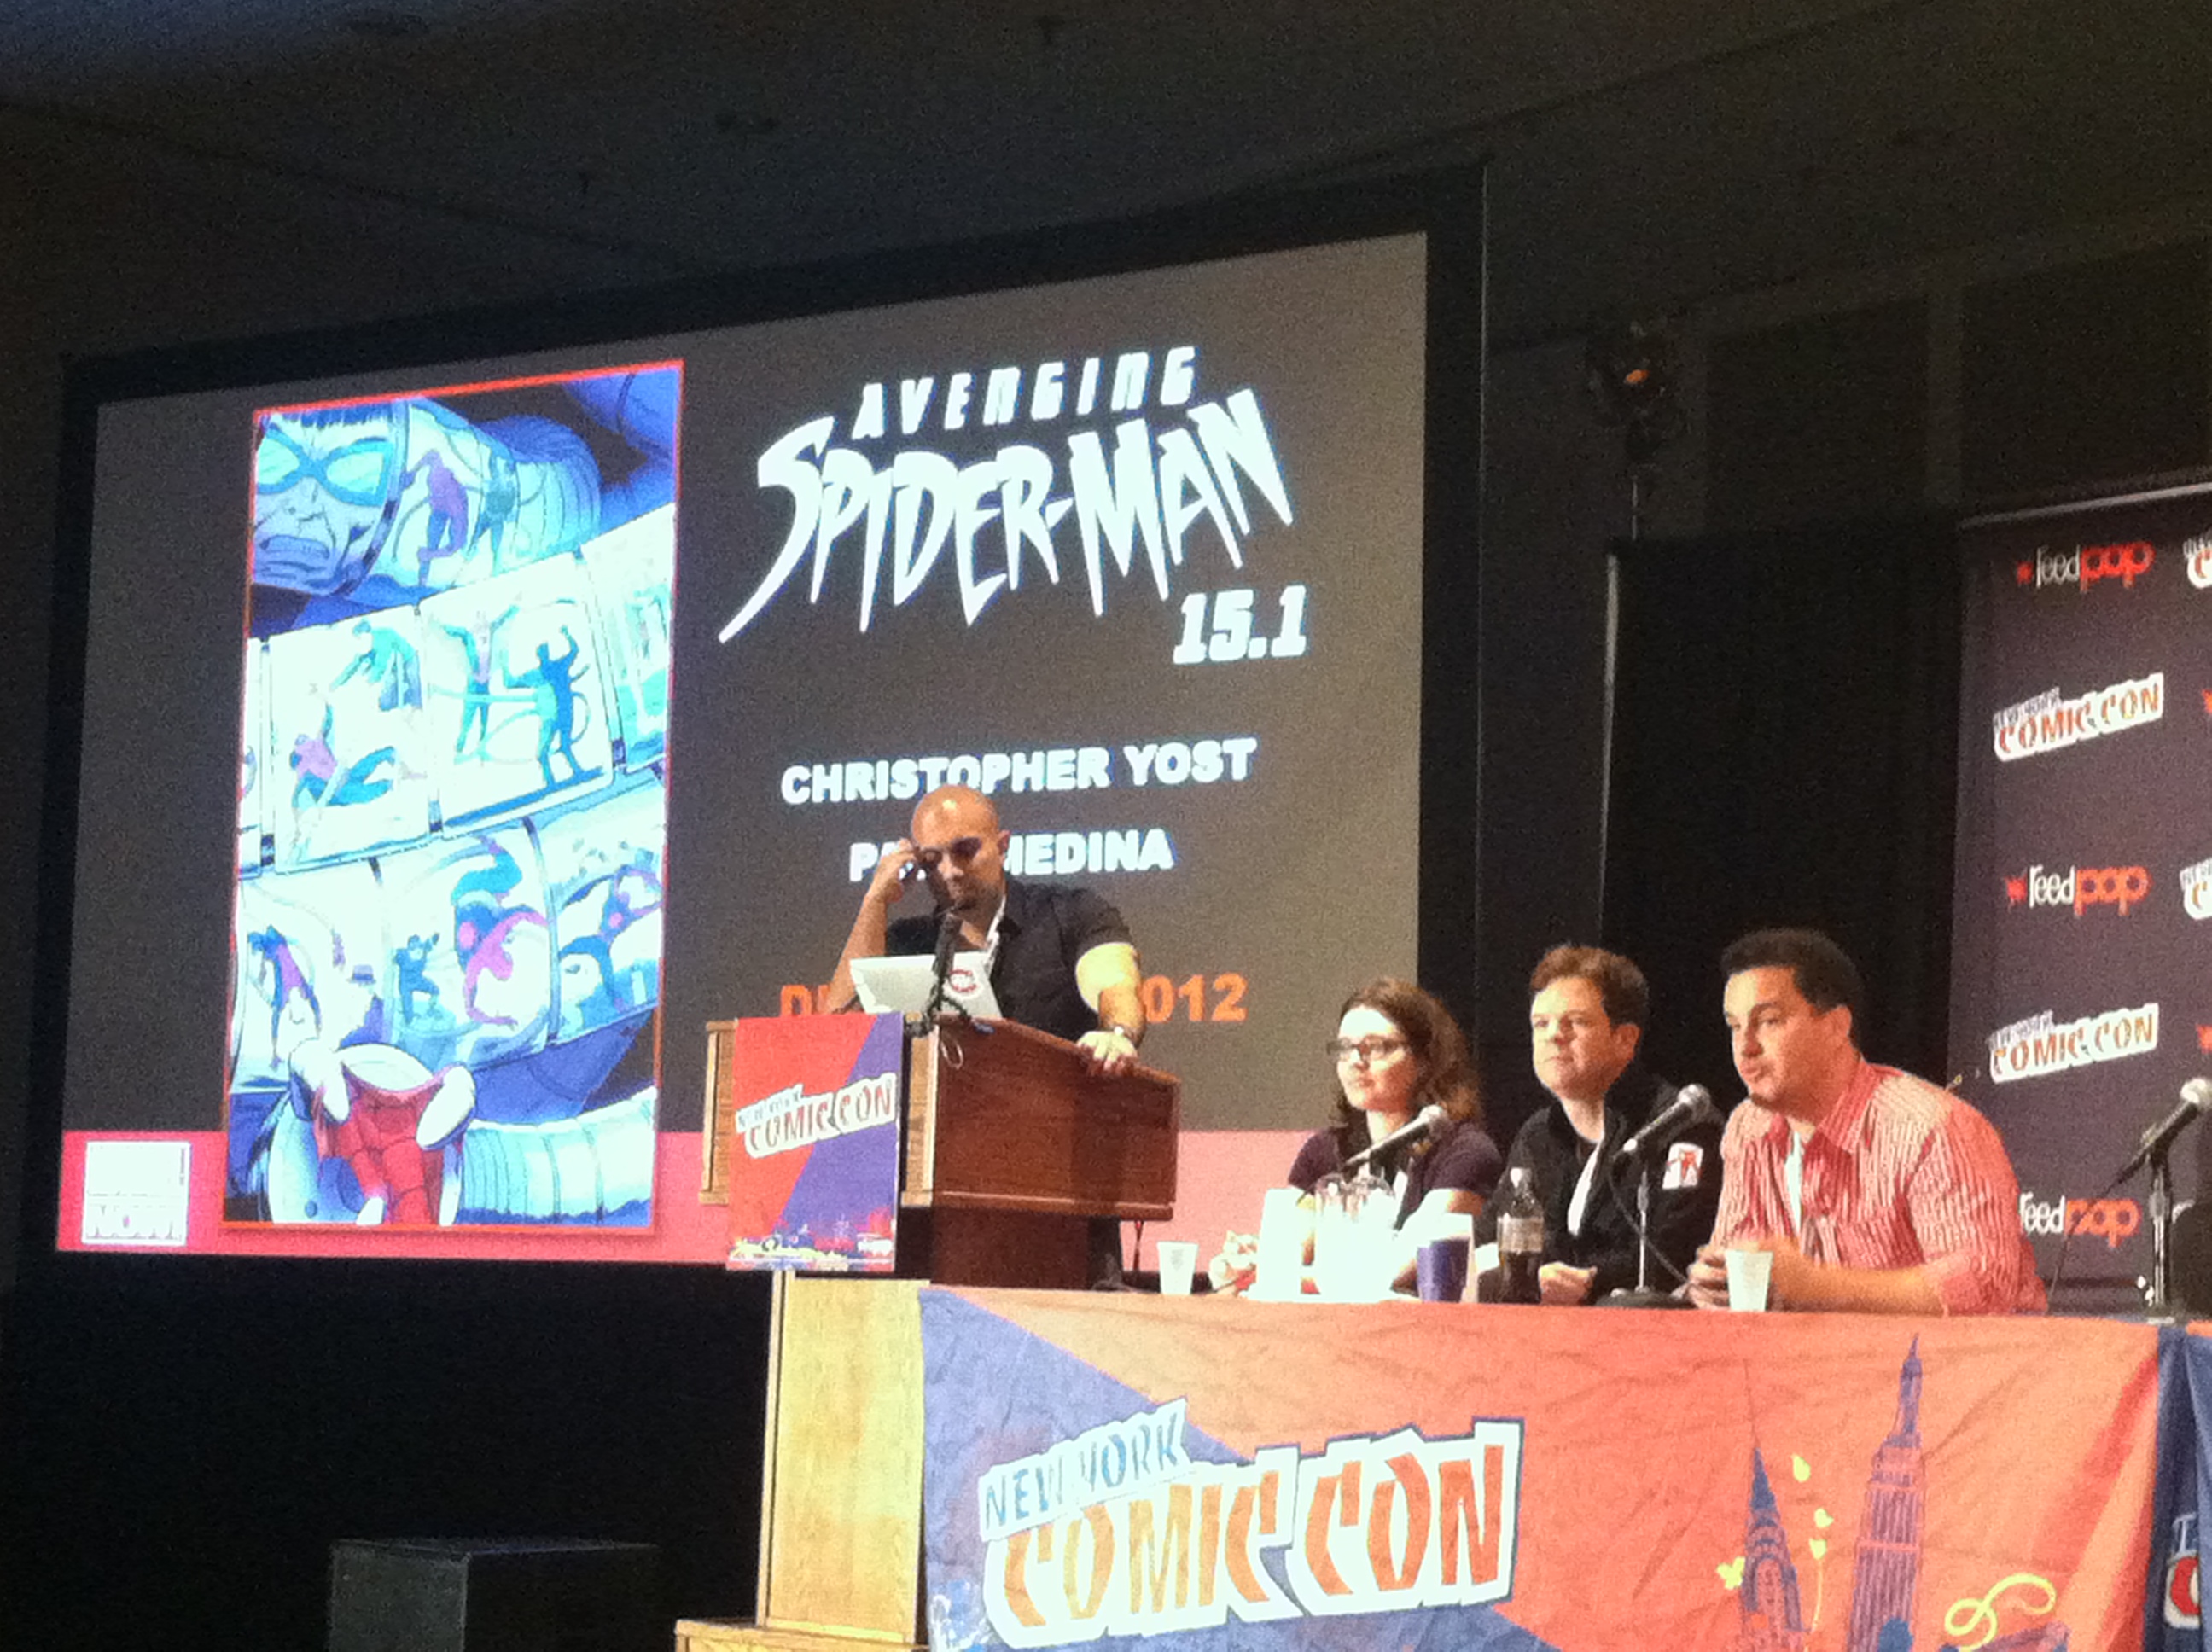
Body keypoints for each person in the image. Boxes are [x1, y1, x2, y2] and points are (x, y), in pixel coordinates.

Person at [1686, 928, 2045, 1314]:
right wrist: (1715, 1284)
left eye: (1769, 1021)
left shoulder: (1930, 1127)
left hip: (1959, 1353)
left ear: (1836, 1027)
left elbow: (1983, 1286)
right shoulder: (1748, 1127)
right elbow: (1738, 1259)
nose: (1745, 1047)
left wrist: (1816, 1286)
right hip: (1811, 1352)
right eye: (1735, 1026)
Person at [827, 784, 1146, 1077]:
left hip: (1054, 1109)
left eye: (965, 850)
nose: (950, 871)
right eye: (932, 860)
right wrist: (875, 901)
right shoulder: (909, 941)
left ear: (1002, 846)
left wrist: (1116, 1034)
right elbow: (839, 1029)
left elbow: (1115, 982)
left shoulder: (1070, 913)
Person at [1480, 945, 1721, 1303]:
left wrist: (1583, 1280)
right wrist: (1533, 1274)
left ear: (1625, 1039)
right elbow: (1488, 1237)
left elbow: (1672, 1255)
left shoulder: (1679, 1126)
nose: (1554, 1035)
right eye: (1541, 1024)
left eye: (1575, 1022)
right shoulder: (1537, 1136)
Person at [1287, 978, 1502, 1291]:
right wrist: (1248, 1262)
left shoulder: (1465, 1153)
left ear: (1424, 1060)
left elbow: (1400, 1267)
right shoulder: (1326, 1151)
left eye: (1376, 1047)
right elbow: (1289, 1250)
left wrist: (1298, 1278)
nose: (1356, 1062)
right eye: (1345, 1048)